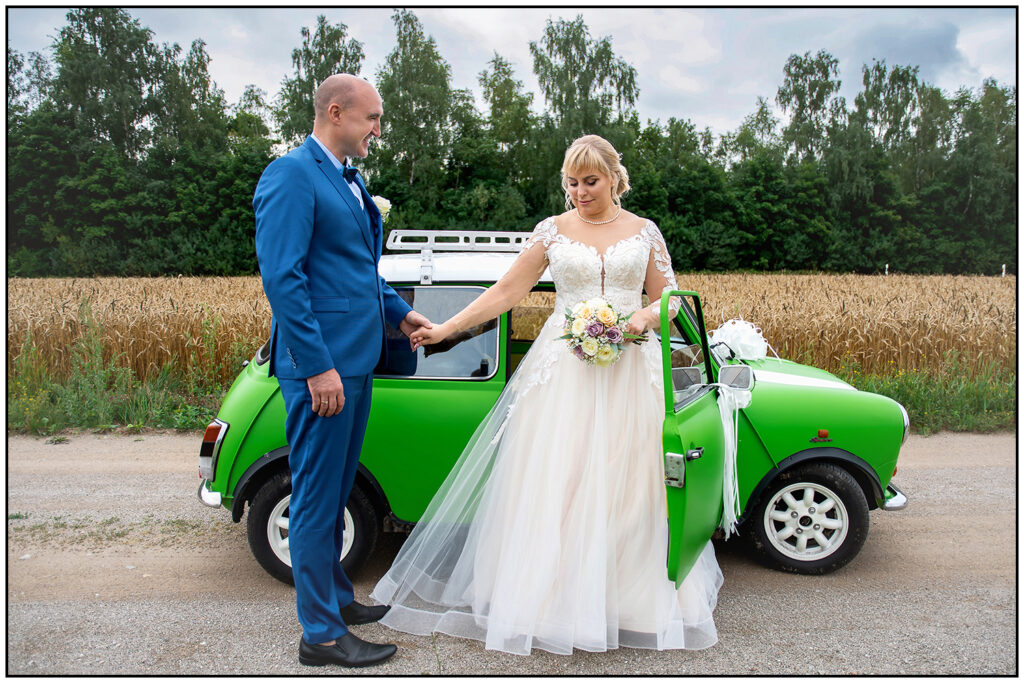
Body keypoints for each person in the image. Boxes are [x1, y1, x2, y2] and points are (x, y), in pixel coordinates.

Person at [369, 134, 723, 655]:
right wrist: (446, 329)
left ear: (614, 178)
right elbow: (505, 291)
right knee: (561, 477)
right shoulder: (551, 231)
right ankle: (553, 600)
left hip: (630, 369)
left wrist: (645, 318)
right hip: (565, 371)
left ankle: (627, 600)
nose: (580, 192)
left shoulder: (645, 232)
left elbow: (669, 299)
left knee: (631, 480)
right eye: (572, 183)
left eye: (591, 181)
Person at [253, 74, 432, 668]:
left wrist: (400, 314)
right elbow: (284, 279)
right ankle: (322, 636)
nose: (377, 128)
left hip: (355, 361)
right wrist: (316, 368)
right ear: (336, 112)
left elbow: (358, 272)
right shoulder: (290, 175)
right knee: (314, 497)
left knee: (334, 491)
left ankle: (335, 600)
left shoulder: (349, 178)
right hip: (323, 369)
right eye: (371, 118)